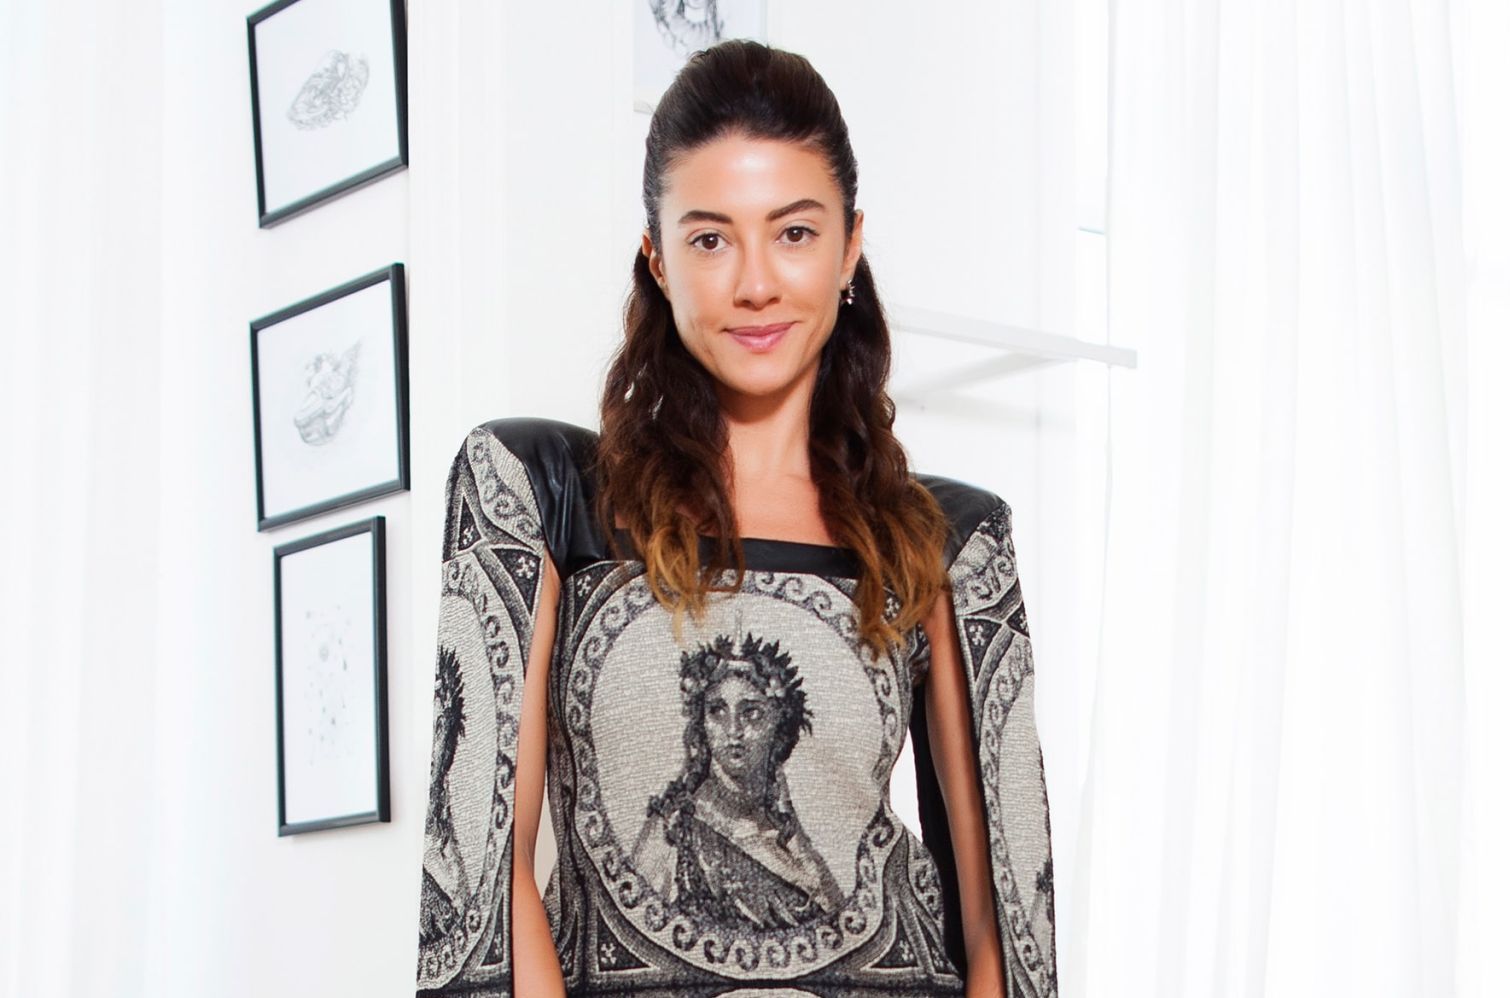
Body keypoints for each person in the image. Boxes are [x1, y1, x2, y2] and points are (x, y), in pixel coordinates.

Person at [415, 39, 1057, 998]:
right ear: (658, 259)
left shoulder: (948, 538)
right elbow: (478, 890)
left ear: (849, 246)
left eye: (794, 232)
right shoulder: (534, 490)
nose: (756, 282)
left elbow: (1008, 920)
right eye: (710, 239)